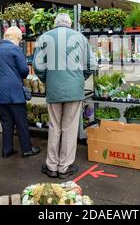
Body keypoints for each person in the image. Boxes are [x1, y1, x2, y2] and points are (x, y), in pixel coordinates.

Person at [33, 13, 96, 179]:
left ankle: (51, 166)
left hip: (54, 89)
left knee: (54, 126)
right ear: (70, 24)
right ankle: (64, 167)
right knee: (69, 127)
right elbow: (91, 64)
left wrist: (48, 79)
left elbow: (37, 66)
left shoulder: (45, 37)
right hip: (74, 90)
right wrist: (80, 78)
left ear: (55, 24)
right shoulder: (80, 37)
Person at [0, 26, 40, 158]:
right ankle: (27, 149)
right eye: (20, 39)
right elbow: (24, 71)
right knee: (21, 122)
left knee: (6, 122)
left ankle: (7, 150)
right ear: (16, 37)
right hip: (14, 91)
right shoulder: (15, 49)